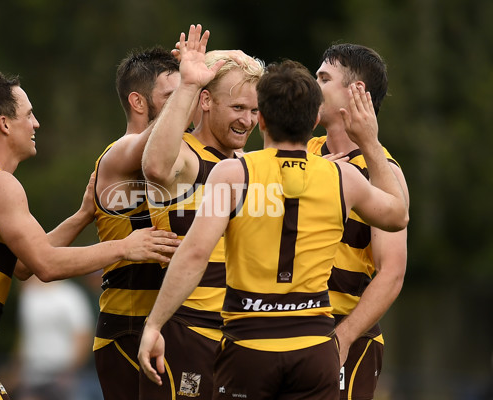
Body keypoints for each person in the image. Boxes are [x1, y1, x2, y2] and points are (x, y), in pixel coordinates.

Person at [0, 69, 180, 400]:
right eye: (29, 115)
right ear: (4, 124)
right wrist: (125, 247)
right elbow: (46, 265)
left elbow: (22, 265)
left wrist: (83, 216)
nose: (36, 124)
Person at [138, 60, 409, 399]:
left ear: (261, 119)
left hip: (251, 342)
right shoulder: (342, 177)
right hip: (314, 344)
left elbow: (194, 254)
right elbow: (398, 215)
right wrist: (370, 143)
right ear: (314, 121)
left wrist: (154, 323)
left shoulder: (234, 173)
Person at [140, 24, 264, 399]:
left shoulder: (250, 163)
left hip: (242, 332)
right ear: (207, 102)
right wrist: (190, 84)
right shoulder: (186, 156)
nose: (247, 121)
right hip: (188, 329)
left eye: (255, 110)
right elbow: (156, 167)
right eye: (238, 108)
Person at [309, 43, 410, 399]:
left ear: (355, 94)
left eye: (323, 78)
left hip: (342, 334)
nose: (311, 84)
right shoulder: (305, 152)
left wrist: (344, 337)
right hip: (293, 326)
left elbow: (392, 272)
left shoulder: (385, 173)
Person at [91, 46, 180, 400]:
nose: (184, 105)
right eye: (172, 97)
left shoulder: (182, 153)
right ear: (139, 103)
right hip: (127, 327)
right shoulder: (121, 151)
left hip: (172, 324)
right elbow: (150, 147)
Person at [15, 277, 95, 400]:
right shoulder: (28, 294)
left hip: (62, 378)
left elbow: (83, 337)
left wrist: (69, 372)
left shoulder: (70, 294)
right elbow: (25, 337)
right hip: (32, 375)